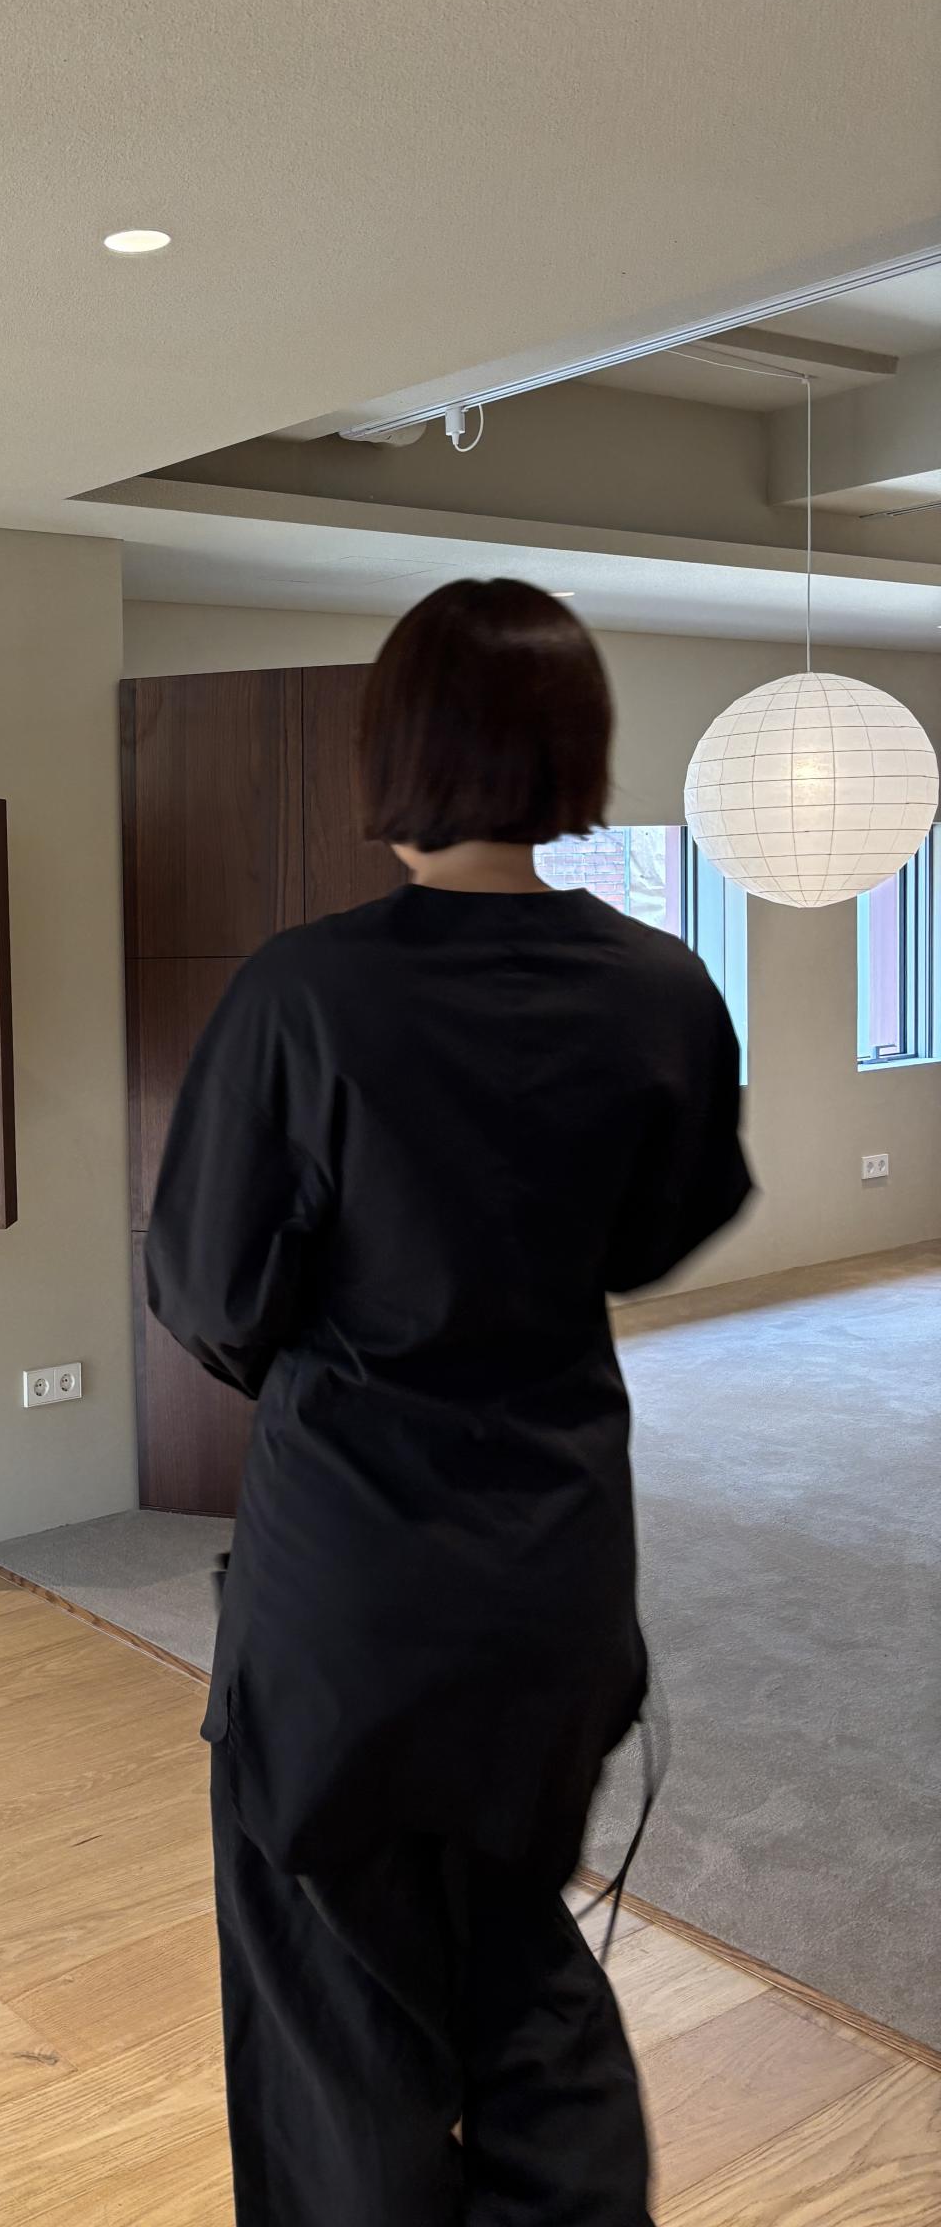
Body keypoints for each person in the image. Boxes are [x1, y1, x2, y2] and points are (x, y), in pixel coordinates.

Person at [145, 579, 752, 2227]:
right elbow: (662, 1230)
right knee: (519, 1957)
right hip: (555, 1573)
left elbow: (207, 1296)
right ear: (576, 747)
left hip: (347, 1583)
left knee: (337, 2007)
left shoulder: (304, 993)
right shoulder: (659, 986)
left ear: (394, 752)